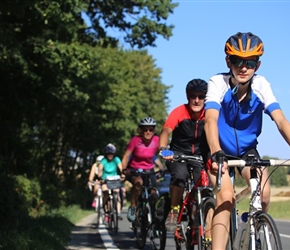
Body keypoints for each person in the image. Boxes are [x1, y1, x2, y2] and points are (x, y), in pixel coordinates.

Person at [204, 32, 290, 250]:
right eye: (237, 61)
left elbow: (280, 120)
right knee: (225, 197)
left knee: (264, 193)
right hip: (219, 149)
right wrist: (215, 151)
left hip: (247, 150)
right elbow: (210, 120)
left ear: (258, 65)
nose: (243, 67)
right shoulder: (217, 82)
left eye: (250, 62)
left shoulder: (261, 86)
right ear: (228, 62)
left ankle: (252, 229)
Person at [158, 78, 210, 232]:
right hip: (178, 154)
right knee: (180, 175)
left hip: (200, 155)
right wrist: (163, 148)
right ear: (187, 96)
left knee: (210, 180)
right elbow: (166, 131)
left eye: (201, 96)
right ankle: (174, 210)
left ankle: (204, 213)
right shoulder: (179, 111)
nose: (196, 100)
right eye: (193, 96)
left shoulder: (209, 113)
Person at [122, 117, 164, 222]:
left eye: (151, 129)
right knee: (138, 183)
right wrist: (124, 170)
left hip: (149, 170)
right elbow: (126, 157)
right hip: (134, 169)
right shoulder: (135, 140)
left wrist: (167, 166)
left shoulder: (157, 140)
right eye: (145, 129)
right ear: (140, 130)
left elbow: (164, 154)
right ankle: (132, 206)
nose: (148, 132)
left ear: (154, 130)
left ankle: (153, 212)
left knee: (154, 192)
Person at [98, 143, 124, 220]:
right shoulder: (103, 160)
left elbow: (121, 168)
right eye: (108, 153)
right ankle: (104, 206)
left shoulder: (116, 159)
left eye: (111, 153)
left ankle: (118, 213)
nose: (110, 155)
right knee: (105, 191)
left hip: (115, 179)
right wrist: (100, 177)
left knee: (117, 193)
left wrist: (123, 174)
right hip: (105, 179)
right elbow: (100, 170)